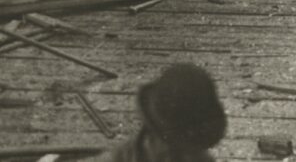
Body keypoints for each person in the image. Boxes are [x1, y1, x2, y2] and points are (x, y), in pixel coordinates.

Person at [96, 64, 227, 162]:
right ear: (151, 133)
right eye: (172, 147)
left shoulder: (199, 159)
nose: (171, 157)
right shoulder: (122, 157)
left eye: (189, 149)